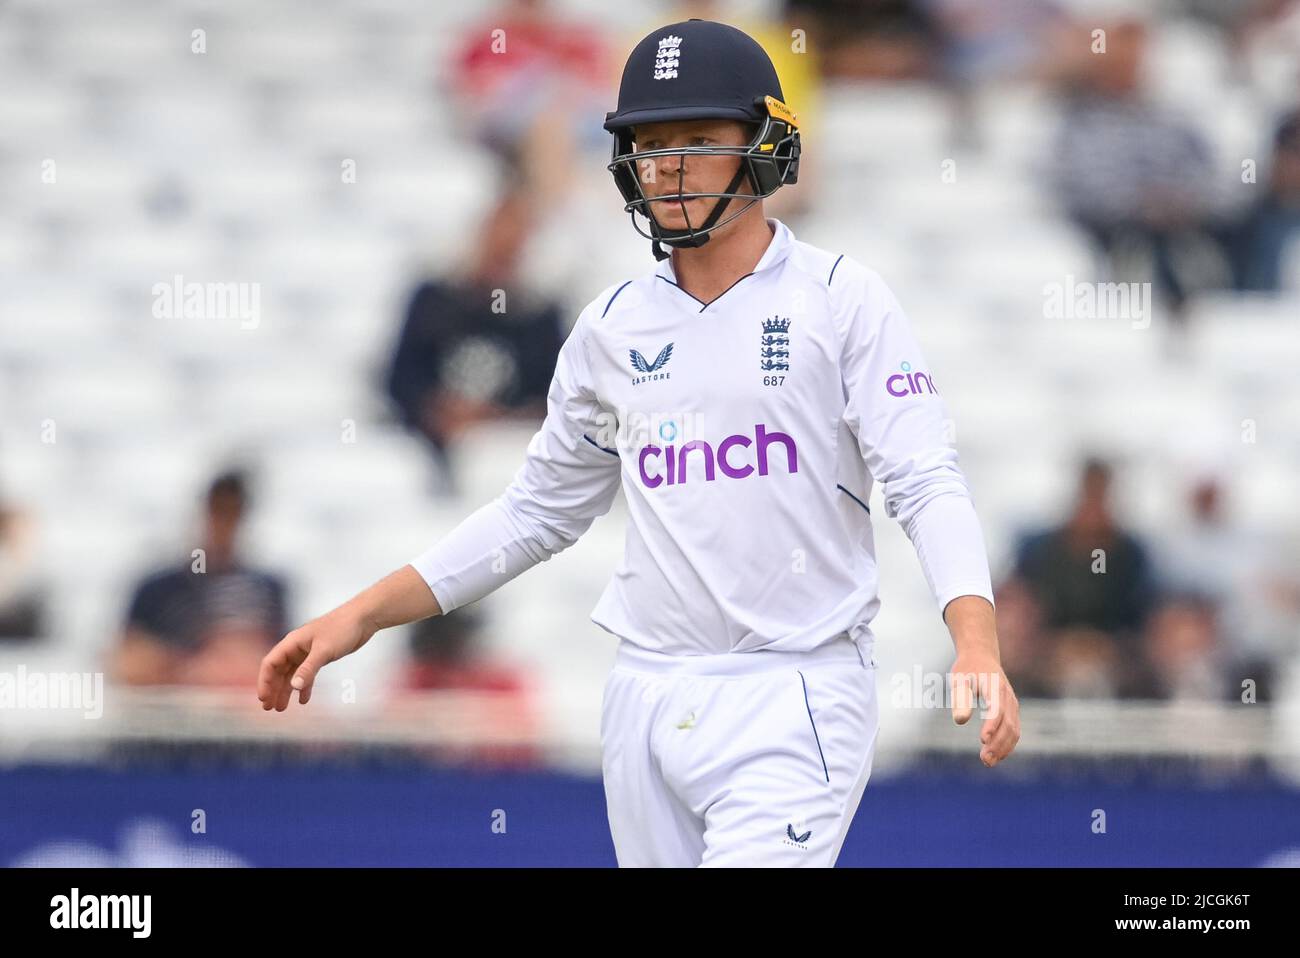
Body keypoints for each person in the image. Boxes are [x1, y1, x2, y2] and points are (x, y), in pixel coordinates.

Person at [259, 18, 1020, 867]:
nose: (671, 165)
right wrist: (360, 615)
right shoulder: (609, 328)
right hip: (646, 697)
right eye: (652, 143)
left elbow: (923, 478)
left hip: (795, 691)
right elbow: (533, 517)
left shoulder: (842, 300)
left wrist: (976, 642)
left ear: (763, 145)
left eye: (700, 138)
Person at [116, 470, 289, 687]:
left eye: (233, 512)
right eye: (218, 511)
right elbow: (125, 662)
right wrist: (186, 666)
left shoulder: (267, 588)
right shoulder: (159, 588)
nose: (224, 524)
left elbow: (285, 663)